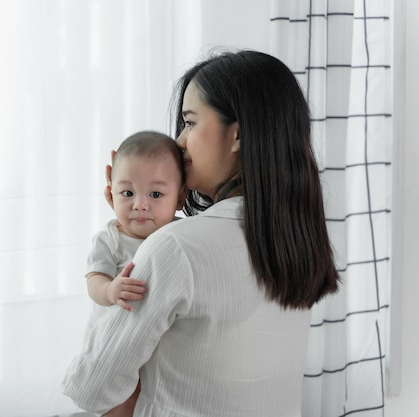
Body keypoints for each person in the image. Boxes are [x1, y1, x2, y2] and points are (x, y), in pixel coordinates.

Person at [62, 50, 339, 416]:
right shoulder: (295, 240)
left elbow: (92, 389)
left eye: (190, 123)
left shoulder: (176, 248)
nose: (178, 141)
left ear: (237, 134)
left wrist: (126, 233)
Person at [83, 130, 186, 416]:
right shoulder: (110, 239)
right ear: (110, 194)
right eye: (127, 193)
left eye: (155, 194)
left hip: (159, 343)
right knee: (119, 403)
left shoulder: (180, 235)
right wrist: (109, 290)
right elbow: (94, 280)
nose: (140, 204)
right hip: (116, 343)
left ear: (179, 198)